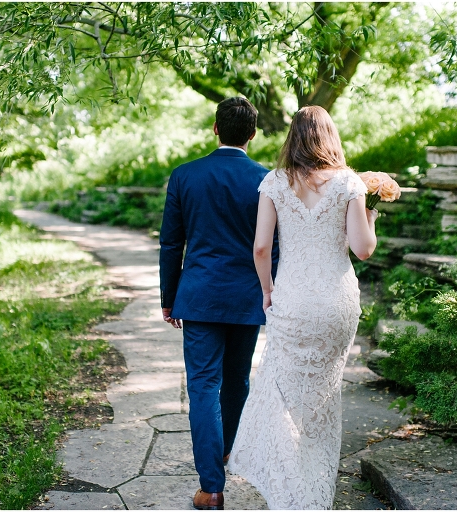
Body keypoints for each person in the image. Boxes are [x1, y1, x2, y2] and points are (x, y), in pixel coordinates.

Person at [227, 105, 378, 510]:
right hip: (335, 303)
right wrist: (371, 214)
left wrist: (266, 290)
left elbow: (261, 247)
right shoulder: (350, 183)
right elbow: (363, 249)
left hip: (290, 298)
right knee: (323, 396)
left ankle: (287, 485)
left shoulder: (274, 181)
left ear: (293, 136)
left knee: (279, 390)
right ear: (330, 136)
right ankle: (312, 490)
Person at [159, 97, 277, 511]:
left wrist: (168, 298)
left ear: (214, 128)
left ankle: (211, 486)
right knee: (237, 381)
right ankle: (224, 450)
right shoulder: (266, 180)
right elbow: (274, 247)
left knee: (204, 385)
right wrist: (269, 293)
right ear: (252, 134)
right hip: (248, 298)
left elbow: (173, 242)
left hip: (200, 296)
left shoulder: (185, 175)